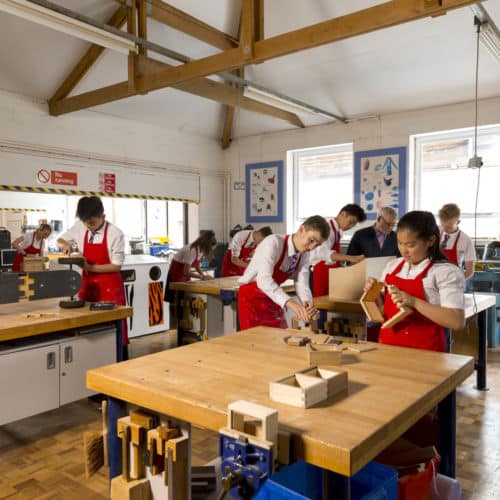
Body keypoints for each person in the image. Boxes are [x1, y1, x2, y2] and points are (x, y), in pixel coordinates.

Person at [364, 211, 465, 352]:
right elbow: (383, 311)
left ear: (430, 241)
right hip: (388, 346)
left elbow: (456, 321)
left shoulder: (445, 272)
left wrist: (414, 301)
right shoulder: (392, 266)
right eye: (400, 243)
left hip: (426, 352)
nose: (404, 251)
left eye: (410, 245)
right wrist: (373, 295)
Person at [238, 215, 330, 330]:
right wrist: (291, 303)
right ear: (301, 230)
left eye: (317, 245)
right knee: (254, 344)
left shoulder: (304, 254)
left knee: (279, 340)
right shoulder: (273, 243)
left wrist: (307, 303)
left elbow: (301, 283)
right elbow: (263, 280)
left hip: (272, 299)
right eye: (311, 240)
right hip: (251, 299)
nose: (312, 247)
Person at [57, 196, 127, 345]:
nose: (89, 227)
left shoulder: (116, 234)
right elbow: (60, 239)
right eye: (86, 223)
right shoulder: (80, 226)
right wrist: (64, 245)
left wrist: (90, 267)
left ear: (103, 216)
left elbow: (116, 266)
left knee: (112, 333)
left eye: (93, 223)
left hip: (109, 288)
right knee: (86, 330)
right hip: (87, 285)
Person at [309, 204, 367, 297]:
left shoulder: (337, 230)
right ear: (343, 214)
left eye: (353, 224)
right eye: (350, 222)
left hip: (327, 274)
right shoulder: (327, 228)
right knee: (317, 307)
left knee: (324, 306)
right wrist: (351, 258)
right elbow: (322, 253)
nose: (350, 226)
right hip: (317, 273)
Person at [438, 203, 475, 280]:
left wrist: (457, 283)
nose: (444, 229)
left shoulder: (465, 240)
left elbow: (470, 271)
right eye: (442, 224)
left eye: (448, 226)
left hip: (454, 281)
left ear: (458, 222)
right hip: (434, 281)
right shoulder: (434, 234)